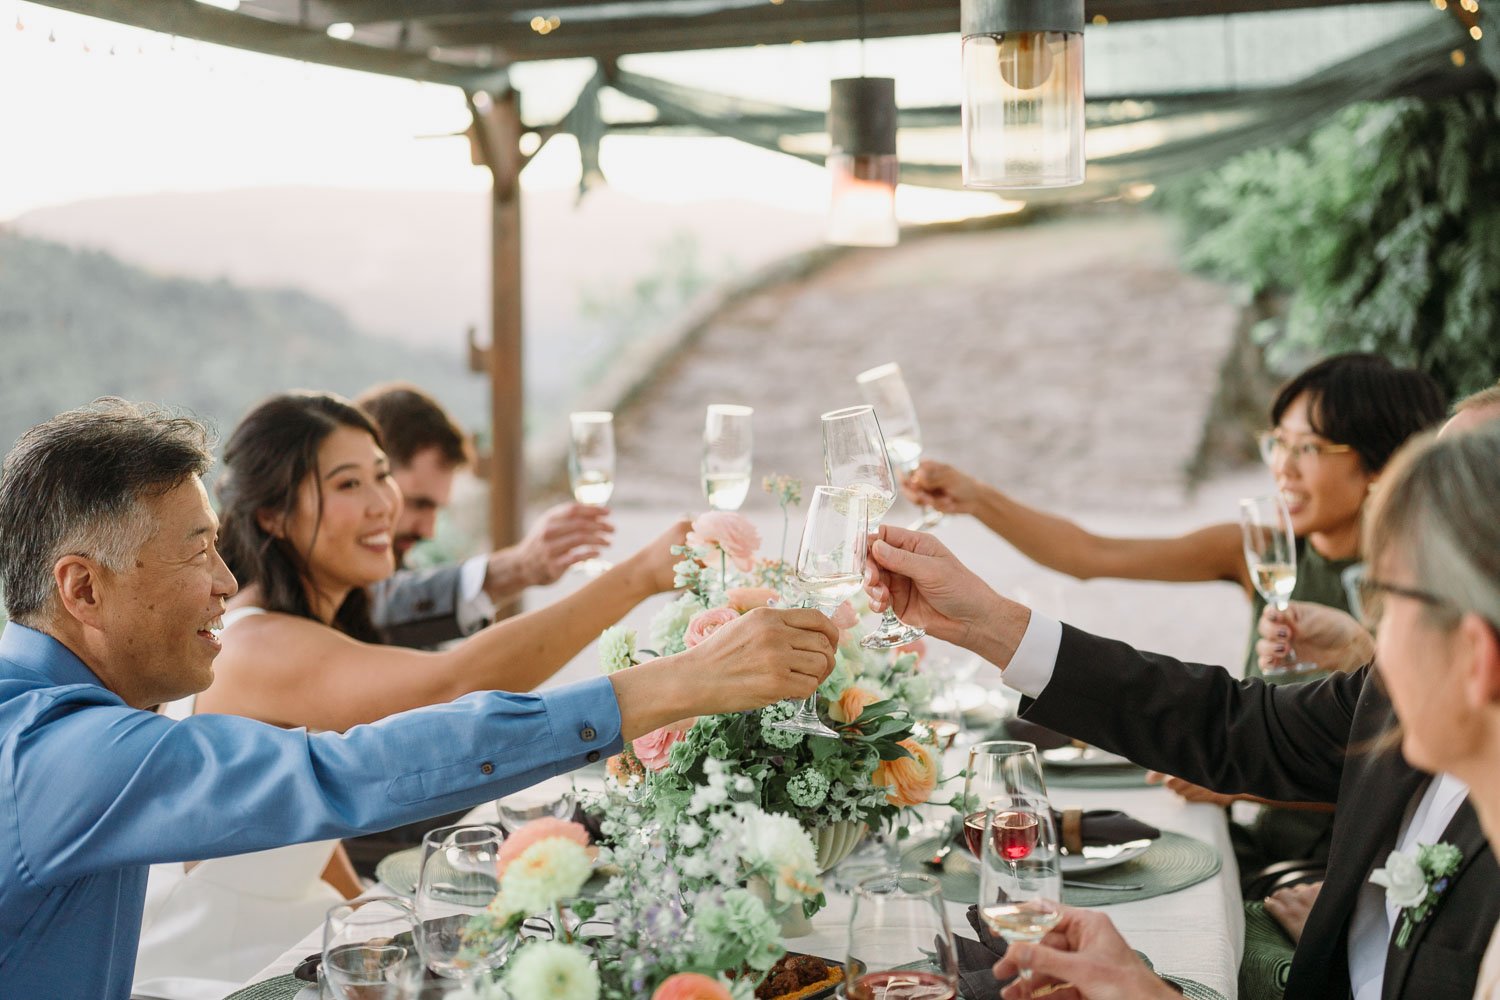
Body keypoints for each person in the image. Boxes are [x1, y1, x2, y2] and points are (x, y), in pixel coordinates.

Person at [0, 398, 836, 998]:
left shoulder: (68, 710)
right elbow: (348, 772)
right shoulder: (57, 754)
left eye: (221, 549)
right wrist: (674, 685)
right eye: (197, 556)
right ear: (81, 588)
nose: (226, 583)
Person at [861, 434, 1500, 999]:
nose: (1372, 638)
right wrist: (986, 622)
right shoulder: (1392, 702)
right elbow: (1231, 721)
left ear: (1475, 655)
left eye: (1388, 602)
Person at [134, 391, 693, 981]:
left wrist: (367, 907)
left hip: (286, 936)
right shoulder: (256, 647)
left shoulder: (303, 628)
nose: (384, 505)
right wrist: (642, 576)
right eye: (349, 485)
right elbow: (457, 683)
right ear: (272, 514)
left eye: (382, 477)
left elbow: (300, 825)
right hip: (208, 968)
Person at [907, 353, 1447, 870]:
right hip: (1259, 836)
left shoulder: (1423, 590)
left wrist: (1238, 780)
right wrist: (976, 499)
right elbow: (1092, 554)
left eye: (1308, 448)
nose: (1282, 467)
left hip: (1351, 863)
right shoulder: (1257, 548)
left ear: (1381, 464)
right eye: (1277, 443)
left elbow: (1427, 776)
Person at [355, 382, 612, 648]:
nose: (428, 531)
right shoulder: (329, 581)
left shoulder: (398, 566)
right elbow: (372, 605)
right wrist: (519, 567)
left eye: (436, 509)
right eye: (419, 504)